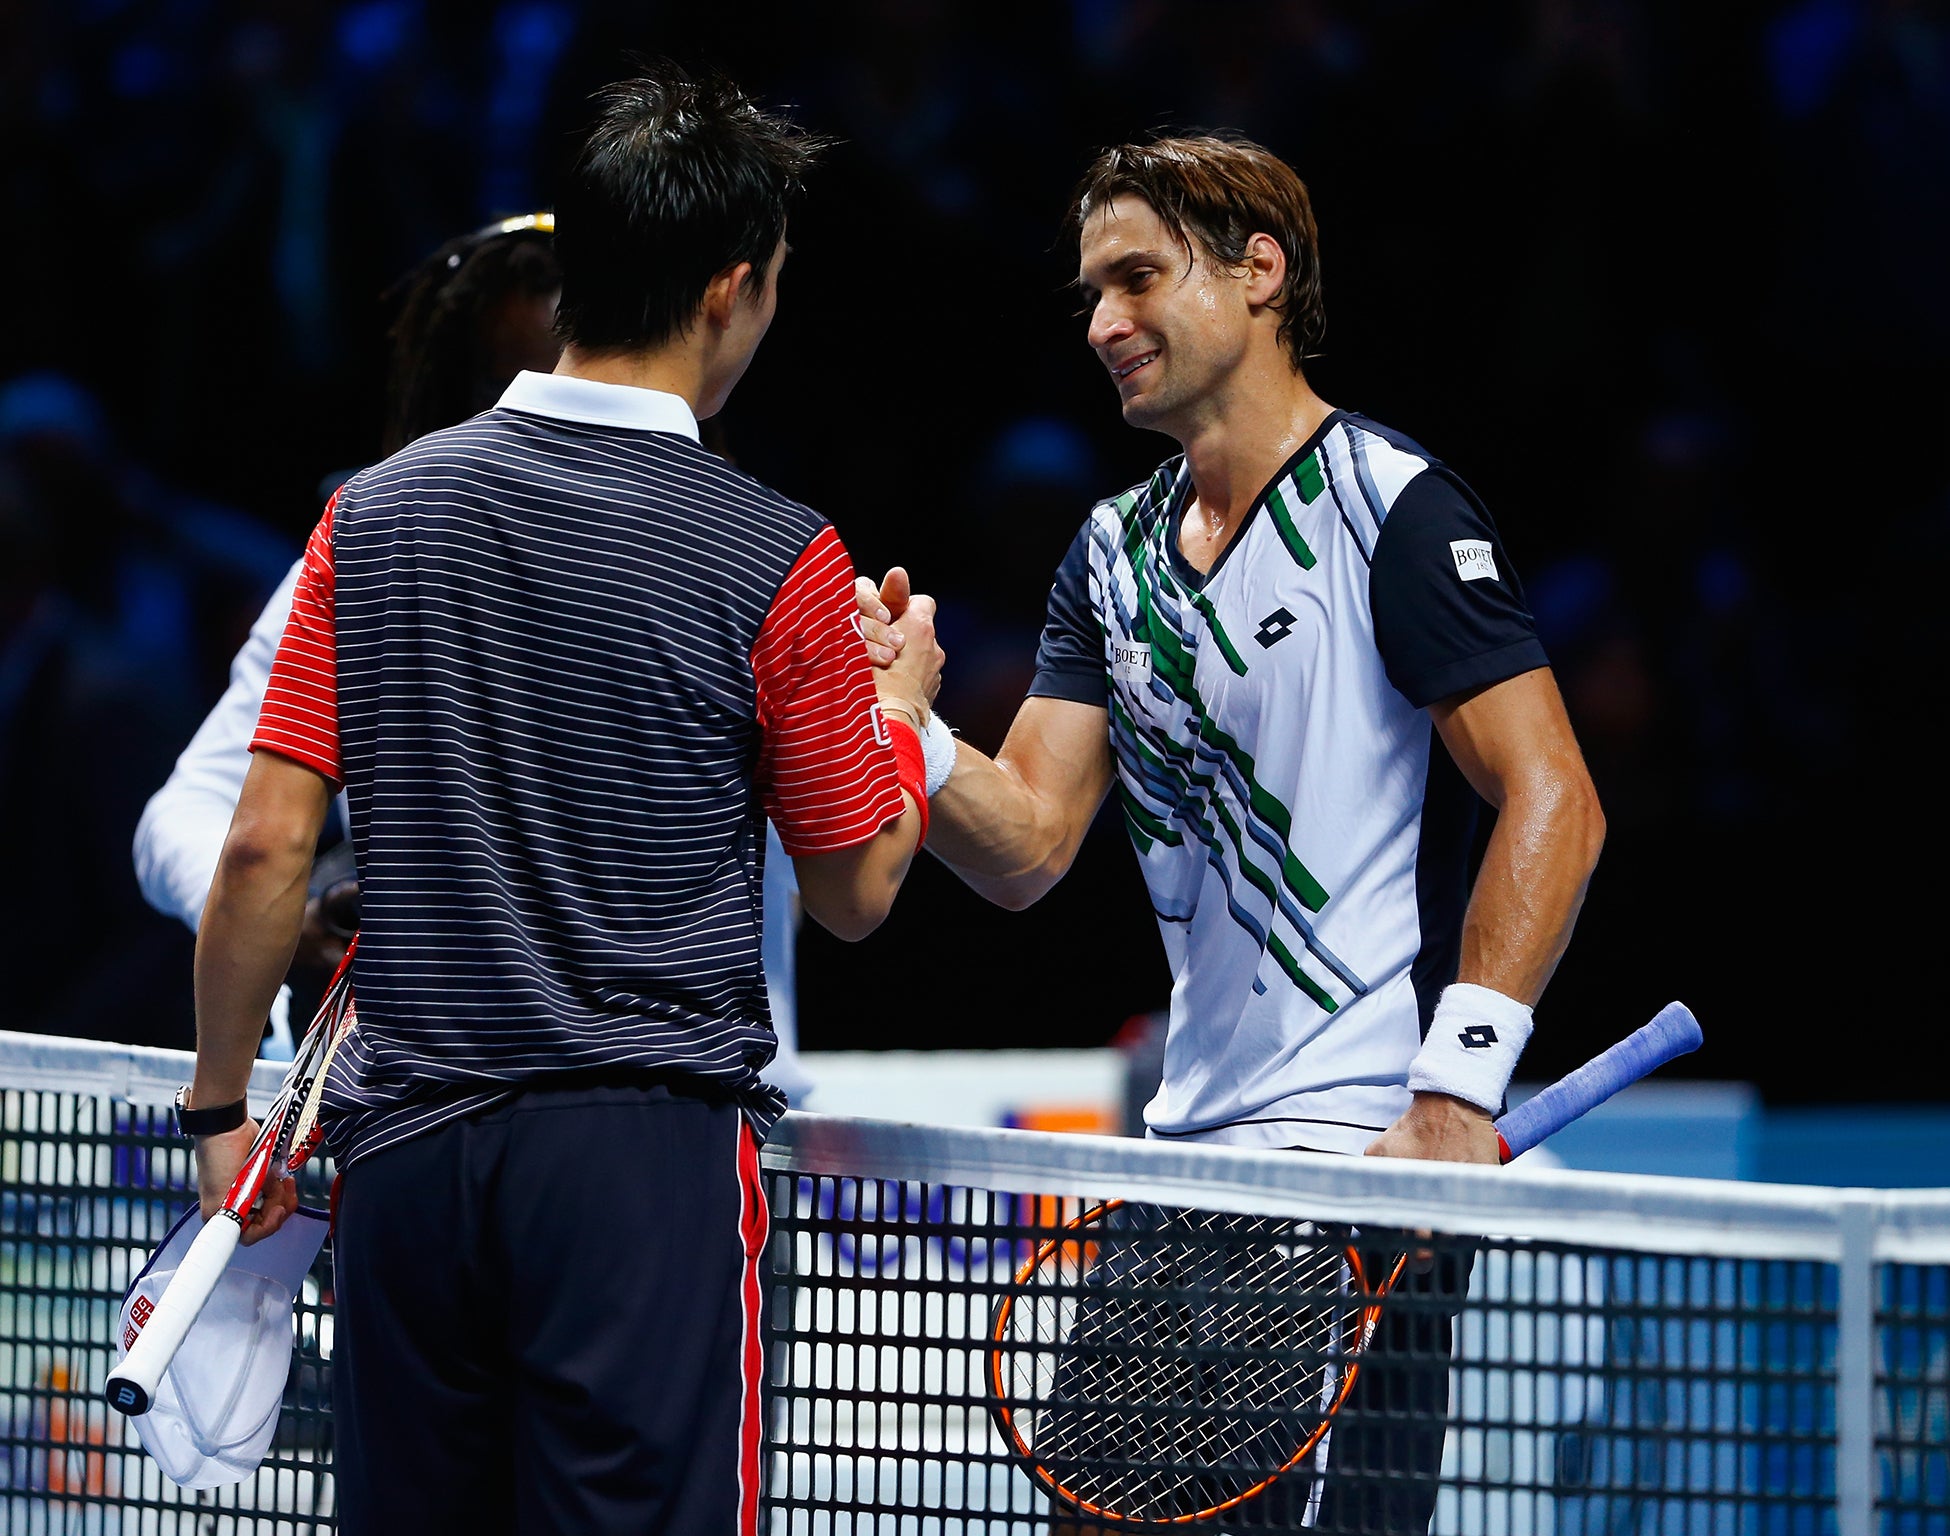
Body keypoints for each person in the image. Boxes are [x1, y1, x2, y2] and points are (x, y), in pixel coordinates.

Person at [183, 63, 943, 1533]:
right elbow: (856, 888)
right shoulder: (775, 551)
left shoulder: (376, 512)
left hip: (405, 1161)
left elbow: (266, 842)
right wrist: (896, 713)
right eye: (774, 283)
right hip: (637, 1172)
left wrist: (223, 1105)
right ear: (729, 289)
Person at [860, 134, 1604, 1529]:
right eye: (1089, 293)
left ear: (1261, 272)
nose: (1100, 325)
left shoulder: (1390, 507)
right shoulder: (1107, 554)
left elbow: (1555, 794)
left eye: (1137, 279)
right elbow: (1024, 846)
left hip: (1357, 1179)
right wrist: (902, 722)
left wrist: (1456, 1091)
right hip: (1179, 1175)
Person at [133, 212, 816, 1098]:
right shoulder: (367, 558)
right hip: (450, 1108)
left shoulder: (758, 564)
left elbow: (840, 860)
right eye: (511, 385)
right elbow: (204, 824)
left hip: (700, 1120)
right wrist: (293, 922)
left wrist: (904, 718)